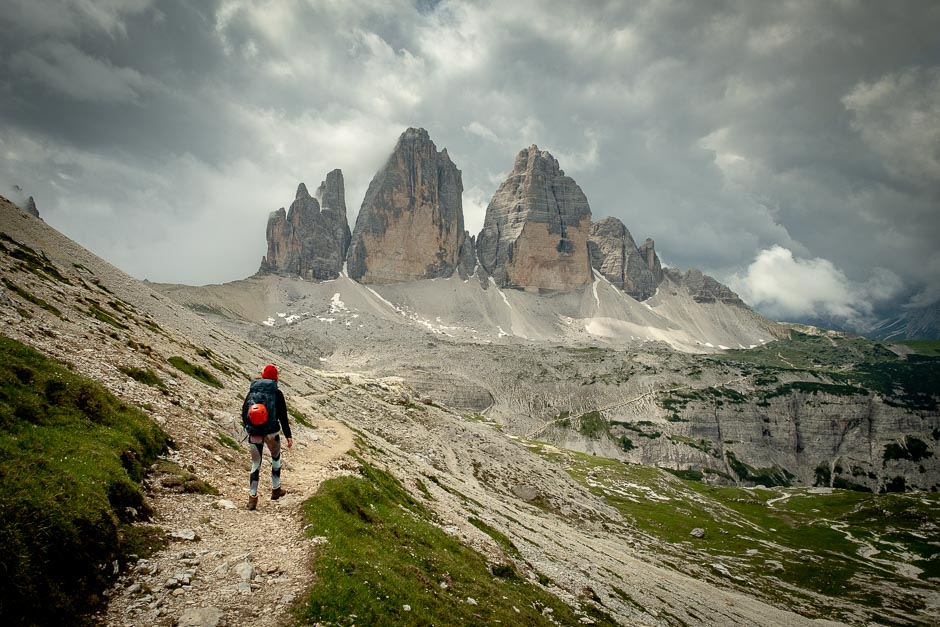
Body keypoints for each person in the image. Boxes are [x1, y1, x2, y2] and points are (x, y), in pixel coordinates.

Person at [241, 364, 293, 510]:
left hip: (254, 433)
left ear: (263, 376)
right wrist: (288, 435)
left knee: (255, 463)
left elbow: (244, 411)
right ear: (276, 378)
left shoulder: (252, 391)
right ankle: (276, 489)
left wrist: (248, 427)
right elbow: (283, 416)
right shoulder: (277, 393)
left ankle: (252, 498)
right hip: (272, 433)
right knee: (275, 459)